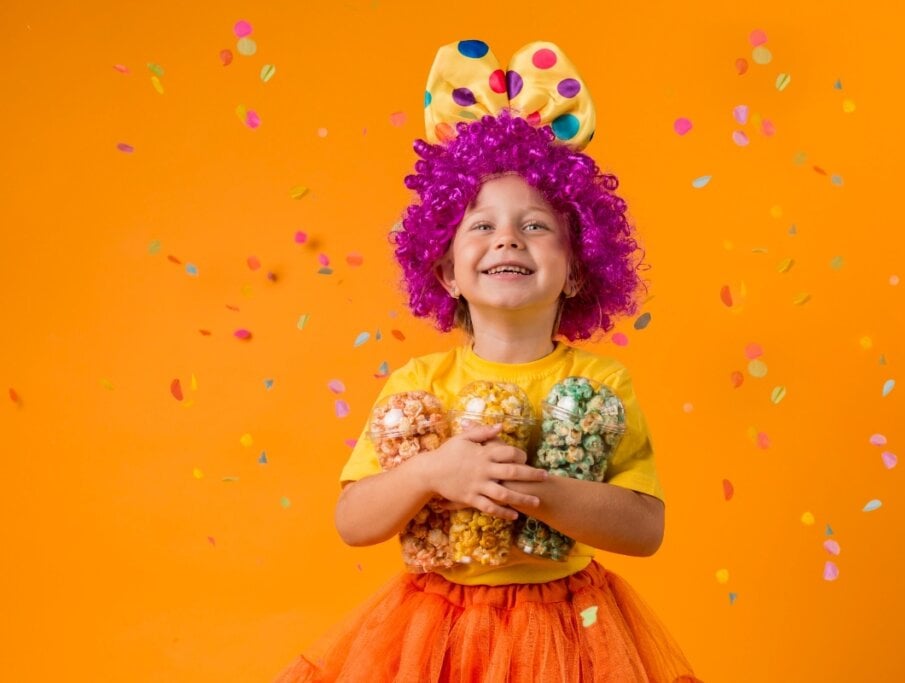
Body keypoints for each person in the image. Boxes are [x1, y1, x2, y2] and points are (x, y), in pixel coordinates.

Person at [274, 39, 702, 683]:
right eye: (481, 225)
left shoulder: (598, 385)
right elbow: (352, 521)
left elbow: (645, 529)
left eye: (535, 226)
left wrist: (543, 493)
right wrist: (434, 471)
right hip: (434, 632)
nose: (507, 237)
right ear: (445, 271)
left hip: (570, 632)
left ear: (579, 269)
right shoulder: (419, 385)